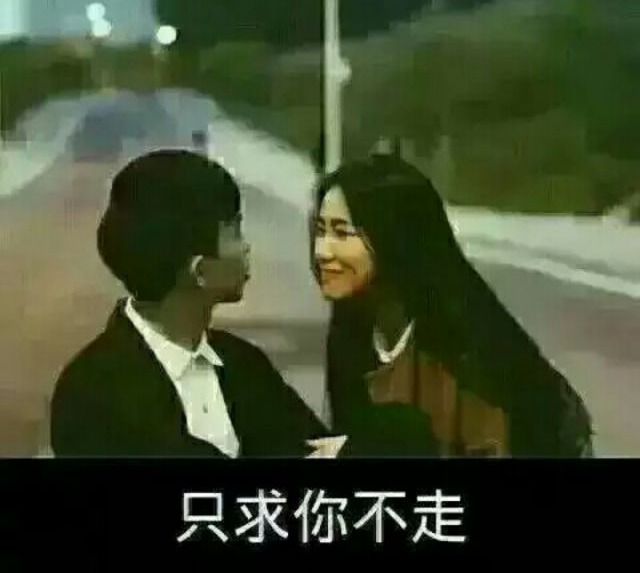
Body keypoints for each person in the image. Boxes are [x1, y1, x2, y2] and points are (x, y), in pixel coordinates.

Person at [311, 153, 593, 457]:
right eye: (320, 230)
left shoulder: (464, 355)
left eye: (342, 233)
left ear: (392, 236)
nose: (322, 251)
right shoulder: (356, 329)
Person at [51, 149, 327, 457]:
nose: (246, 247)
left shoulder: (244, 364)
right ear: (200, 271)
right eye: (235, 232)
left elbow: (314, 445)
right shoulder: (91, 392)